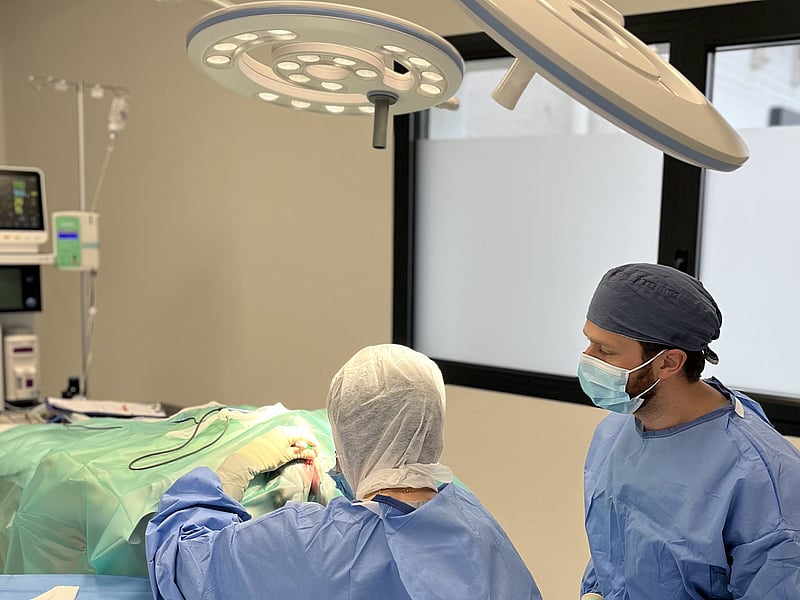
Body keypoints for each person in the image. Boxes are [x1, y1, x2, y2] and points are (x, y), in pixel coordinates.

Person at [146, 343, 542, 599]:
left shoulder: (310, 542)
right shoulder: (479, 529)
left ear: (347, 437)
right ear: (432, 425)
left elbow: (184, 564)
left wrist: (225, 478)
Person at [577, 263, 800, 600]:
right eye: (589, 343)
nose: (587, 358)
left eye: (605, 350)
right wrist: (595, 592)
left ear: (669, 362)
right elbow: (614, 549)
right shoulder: (614, 432)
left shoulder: (759, 474)